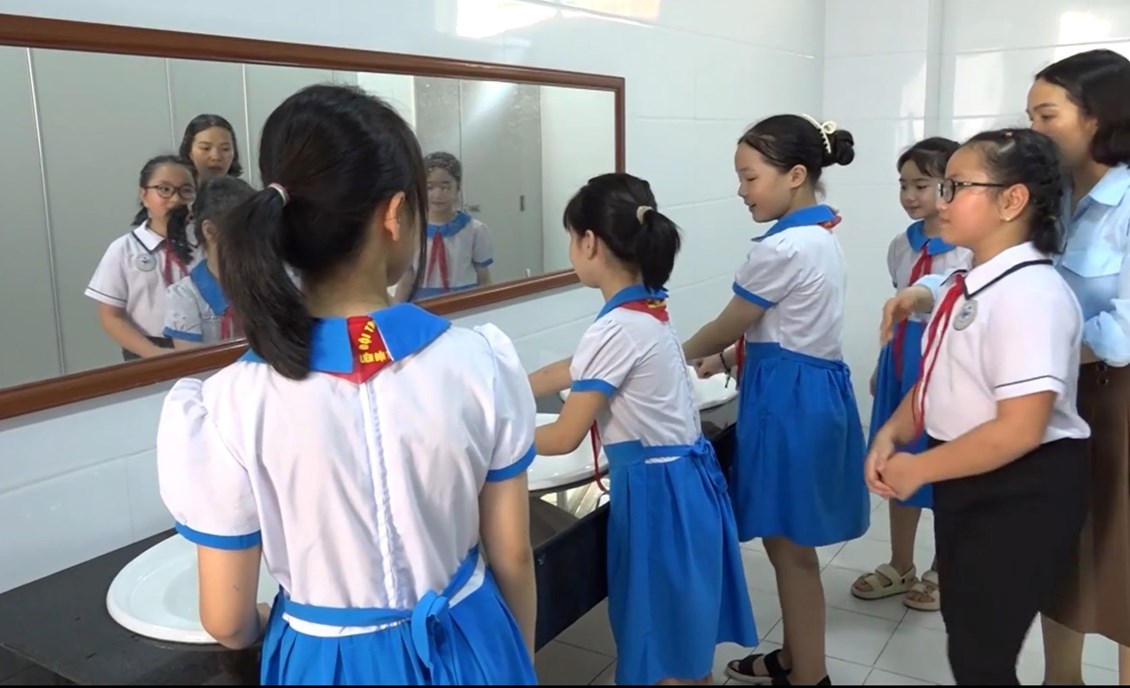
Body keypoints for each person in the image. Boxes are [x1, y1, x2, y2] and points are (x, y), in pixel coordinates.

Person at [155, 84, 537, 686]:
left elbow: (226, 620)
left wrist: (272, 624)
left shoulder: (227, 403)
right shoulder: (478, 362)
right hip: (469, 641)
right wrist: (519, 660)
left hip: (325, 661)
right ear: (394, 214)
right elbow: (511, 555)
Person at [871, 128, 1090, 685]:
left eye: (956, 186)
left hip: (1021, 485)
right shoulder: (970, 282)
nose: (940, 200)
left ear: (1011, 200)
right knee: (968, 633)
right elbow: (940, 378)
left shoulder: (1030, 296)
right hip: (971, 473)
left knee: (982, 654)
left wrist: (919, 468)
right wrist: (894, 431)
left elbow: (1019, 430)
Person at [528, 173, 758, 686]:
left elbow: (563, 437)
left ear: (590, 242)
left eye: (571, 237)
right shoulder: (646, 306)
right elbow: (577, 366)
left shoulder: (615, 327)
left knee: (660, 648)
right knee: (683, 639)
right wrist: (511, 387)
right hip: (685, 487)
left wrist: (488, 438)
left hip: (659, 499)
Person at [683, 114, 867, 687]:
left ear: (795, 175)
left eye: (749, 177)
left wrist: (668, 357)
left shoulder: (784, 247)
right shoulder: (820, 236)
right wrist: (727, 360)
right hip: (809, 390)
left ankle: (809, 675)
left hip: (790, 404)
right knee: (791, 542)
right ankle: (793, 657)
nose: (742, 191)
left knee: (789, 549)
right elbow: (789, 329)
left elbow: (729, 322)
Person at [1026, 48, 1130, 686]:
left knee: (1122, 557)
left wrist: (1033, 348)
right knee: (1059, 548)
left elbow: (1123, 329)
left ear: (1098, 117)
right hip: (1056, 392)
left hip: (1117, 398)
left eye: (1048, 116)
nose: (1035, 131)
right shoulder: (1051, 195)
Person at [851, 137, 968, 613]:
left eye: (922, 184)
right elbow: (898, 310)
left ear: (952, 185)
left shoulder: (969, 246)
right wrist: (884, 366)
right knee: (894, 463)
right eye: (903, 185)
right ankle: (901, 564)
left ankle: (944, 568)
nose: (910, 195)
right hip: (902, 361)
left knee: (943, 467)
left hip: (945, 364)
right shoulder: (901, 245)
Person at [86, 154, 199, 360]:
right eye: (165, 189)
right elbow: (111, 317)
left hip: (204, 346)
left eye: (186, 190)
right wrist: (155, 354)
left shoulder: (208, 245)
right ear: (144, 195)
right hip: (146, 351)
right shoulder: (123, 249)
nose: (176, 200)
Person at [163, 176, 255, 349]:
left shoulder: (271, 283)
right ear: (210, 231)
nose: (256, 239)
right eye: (246, 230)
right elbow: (192, 361)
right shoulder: (185, 296)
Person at [394, 152, 493, 301]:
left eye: (445, 187)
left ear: (457, 189)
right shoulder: (412, 229)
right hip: (422, 302)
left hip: (465, 301)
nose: (437, 194)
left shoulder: (475, 230)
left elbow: (484, 278)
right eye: (429, 187)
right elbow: (406, 279)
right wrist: (396, 310)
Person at [179, 114, 243, 182]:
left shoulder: (242, 188)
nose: (216, 157)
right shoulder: (177, 188)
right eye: (205, 148)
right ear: (189, 152)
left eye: (225, 149)